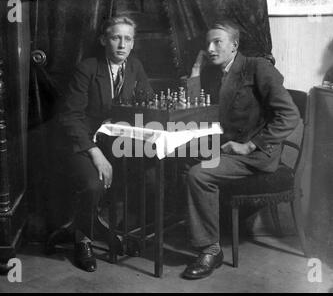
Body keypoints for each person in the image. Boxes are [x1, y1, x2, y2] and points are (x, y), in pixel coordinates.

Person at [181, 20, 300, 279]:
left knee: (199, 174)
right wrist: (196, 69)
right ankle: (205, 230)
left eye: (217, 42)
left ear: (234, 45)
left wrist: (250, 145)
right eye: (208, 43)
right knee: (180, 160)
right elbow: (195, 108)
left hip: (255, 155)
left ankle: (210, 249)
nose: (211, 48)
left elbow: (289, 115)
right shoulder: (214, 71)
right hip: (228, 149)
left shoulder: (257, 67)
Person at [58, 16, 153, 272]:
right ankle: (83, 239)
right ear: (103, 40)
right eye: (115, 37)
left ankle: (117, 229)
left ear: (133, 43)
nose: (122, 44)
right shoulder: (88, 68)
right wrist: (95, 153)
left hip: (116, 144)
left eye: (128, 39)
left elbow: (145, 103)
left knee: (146, 171)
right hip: (82, 143)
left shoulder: (135, 67)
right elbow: (71, 116)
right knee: (93, 183)